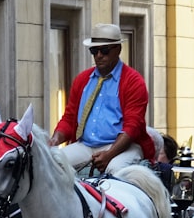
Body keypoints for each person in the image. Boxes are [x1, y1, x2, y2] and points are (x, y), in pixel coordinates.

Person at [50, 23, 154, 173]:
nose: (98, 55)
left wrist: (110, 154)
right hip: (86, 145)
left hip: (124, 146)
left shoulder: (134, 81)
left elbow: (133, 126)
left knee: (115, 169)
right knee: (52, 163)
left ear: (118, 49)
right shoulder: (82, 79)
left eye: (104, 50)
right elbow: (69, 117)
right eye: (94, 50)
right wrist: (54, 141)